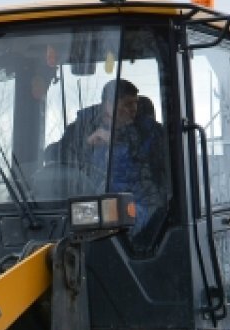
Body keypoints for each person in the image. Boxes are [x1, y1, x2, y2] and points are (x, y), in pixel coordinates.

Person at [47, 78, 169, 238]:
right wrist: (87, 144)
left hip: (139, 201)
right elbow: (53, 154)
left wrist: (117, 142)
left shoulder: (148, 130)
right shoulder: (81, 128)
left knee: (117, 229)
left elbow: (158, 162)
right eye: (127, 104)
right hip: (91, 203)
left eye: (135, 103)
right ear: (108, 105)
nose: (133, 109)